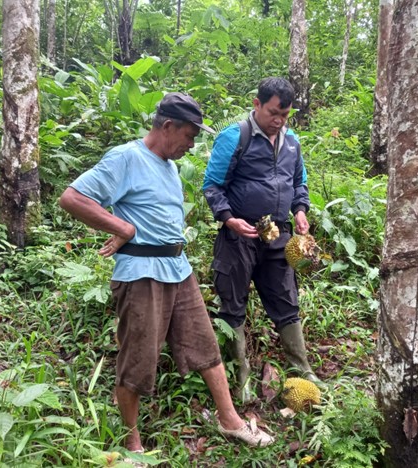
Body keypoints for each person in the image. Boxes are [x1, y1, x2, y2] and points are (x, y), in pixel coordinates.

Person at [59, 92, 274, 455]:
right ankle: (132, 443)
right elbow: (73, 198)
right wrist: (123, 230)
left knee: (205, 346)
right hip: (143, 274)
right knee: (139, 360)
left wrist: (126, 227)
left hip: (178, 268)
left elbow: (151, 212)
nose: (191, 145)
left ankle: (230, 420)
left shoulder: (170, 166)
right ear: (168, 126)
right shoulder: (127, 157)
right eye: (189, 136)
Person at [203, 77, 320, 404]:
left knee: (285, 296)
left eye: (285, 114)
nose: (279, 120)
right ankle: (240, 375)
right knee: (233, 301)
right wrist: (229, 218)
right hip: (239, 234)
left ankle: (302, 368)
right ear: (257, 104)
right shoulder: (234, 137)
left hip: (276, 232)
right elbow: (212, 187)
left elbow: (299, 183)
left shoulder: (292, 142)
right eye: (273, 113)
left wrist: (299, 210)